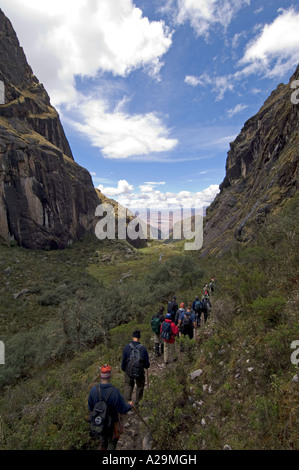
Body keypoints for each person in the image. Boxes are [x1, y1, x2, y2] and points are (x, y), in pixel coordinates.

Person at [88, 364, 132, 451]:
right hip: (112, 423)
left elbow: (90, 408)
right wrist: (130, 405)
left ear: (101, 376)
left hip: (99, 421)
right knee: (112, 441)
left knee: (103, 439)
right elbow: (122, 409)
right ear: (110, 376)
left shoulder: (93, 390)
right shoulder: (114, 392)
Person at [121, 330, 150, 409]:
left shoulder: (127, 348)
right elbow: (147, 363)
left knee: (128, 385)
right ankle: (137, 404)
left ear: (132, 337)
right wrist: (146, 366)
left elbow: (123, 360)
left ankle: (127, 403)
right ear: (139, 337)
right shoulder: (143, 349)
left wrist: (124, 369)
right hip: (139, 371)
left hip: (128, 371)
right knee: (140, 386)